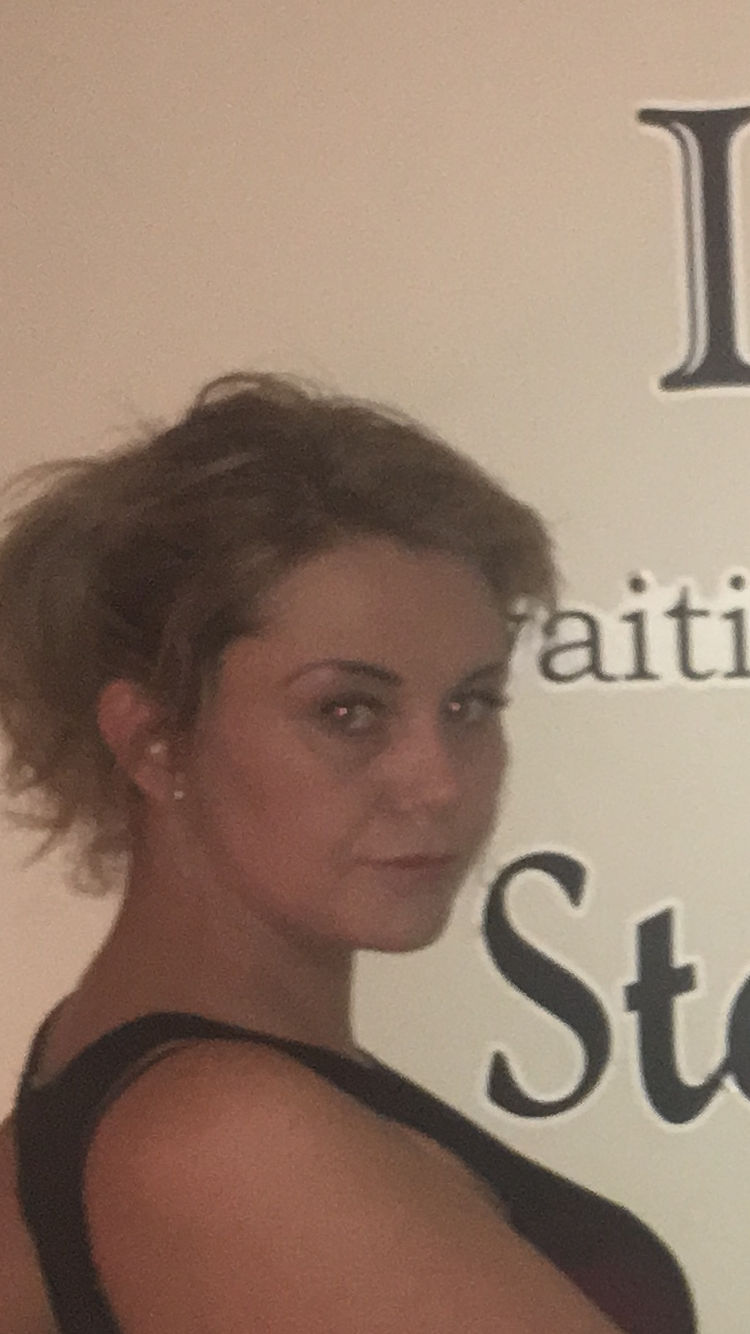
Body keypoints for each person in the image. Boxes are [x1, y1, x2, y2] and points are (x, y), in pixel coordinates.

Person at [0, 373, 694, 1333]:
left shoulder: (111, 1075)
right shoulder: (224, 1139)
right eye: (348, 711)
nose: (439, 781)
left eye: (471, 704)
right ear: (153, 742)